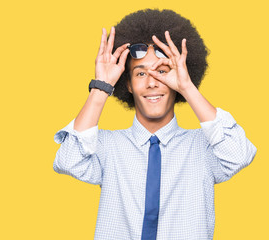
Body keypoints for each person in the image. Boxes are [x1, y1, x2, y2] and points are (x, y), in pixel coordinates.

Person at [53, 9, 256, 240]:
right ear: (127, 84)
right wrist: (101, 86)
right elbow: (68, 160)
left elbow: (239, 154)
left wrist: (187, 87)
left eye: (162, 71)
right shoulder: (108, 147)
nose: (152, 83)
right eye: (140, 74)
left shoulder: (204, 148)